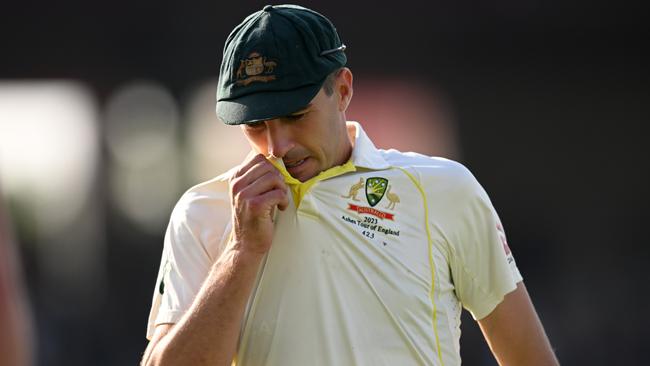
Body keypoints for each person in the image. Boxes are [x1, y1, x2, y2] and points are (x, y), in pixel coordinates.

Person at [141, 4, 559, 366]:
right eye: (255, 125)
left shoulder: (444, 191)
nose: (278, 145)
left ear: (342, 89)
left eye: (294, 115)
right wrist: (241, 251)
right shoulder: (203, 211)